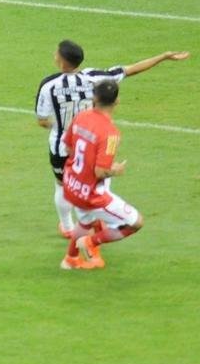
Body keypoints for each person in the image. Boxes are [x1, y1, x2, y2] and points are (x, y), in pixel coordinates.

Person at [35, 40, 188, 237]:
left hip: (61, 147)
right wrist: (163, 56)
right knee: (93, 186)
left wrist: (58, 127)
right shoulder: (95, 78)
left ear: (62, 62)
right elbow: (130, 70)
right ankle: (92, 225)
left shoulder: (48, 85)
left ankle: (67, 227)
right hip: (90, 145)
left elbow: (41, 119)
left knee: (61, 185)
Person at [59, 79, 139, 270]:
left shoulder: (81, 116)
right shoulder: (111, 134)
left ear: (94, 97)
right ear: (117, 101)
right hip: (90, 195)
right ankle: (90, 243)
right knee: (135, 223)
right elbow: (101, 172)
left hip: (71, 184)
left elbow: (68, 147)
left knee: (85, 221)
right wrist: (116, 170)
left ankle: (70, 259)